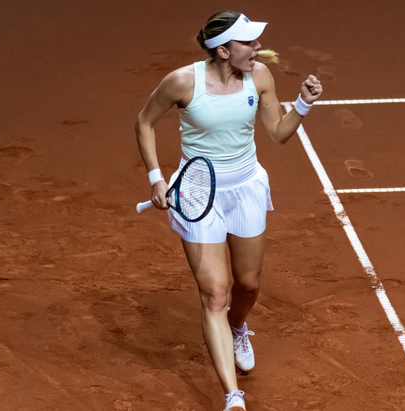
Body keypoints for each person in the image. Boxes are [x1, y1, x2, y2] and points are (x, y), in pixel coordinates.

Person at [135, 10, 323, 411]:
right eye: (249, 43)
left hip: (246, 189)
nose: (258, 48)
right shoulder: (182, 82)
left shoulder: (260, 76)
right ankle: (233, 396)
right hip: (197, 194)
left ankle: (237, 327)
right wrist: (156, 178)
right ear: (223, 50)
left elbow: (278, 133)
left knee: (248, 285)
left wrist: (303, 105)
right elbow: (145, 122)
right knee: (215, 295)